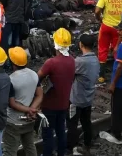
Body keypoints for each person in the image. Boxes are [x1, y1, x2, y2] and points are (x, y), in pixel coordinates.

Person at [37, 28, 76, 156]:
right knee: (61, 132)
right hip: (64, 103)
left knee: (48, 135)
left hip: (49, 105)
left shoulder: (51, 63)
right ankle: (61, 153)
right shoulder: (72, 60)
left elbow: (38, 77)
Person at [3, 47, 42, 156]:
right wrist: (32, 110)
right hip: (29, 120)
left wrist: (29, 110)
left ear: (12, 63)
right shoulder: (33, 74)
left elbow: (12, 103)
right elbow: (39, 95)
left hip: (13, 121)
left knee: (10, 151)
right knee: (30, 147)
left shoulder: (10, 79)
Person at [67, 34, 100, 156]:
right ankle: (87, 144)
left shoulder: (80, 61)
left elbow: (69, 73)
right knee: (86, 122)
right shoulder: (95, 60)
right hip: (88, 98)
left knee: (72, 124)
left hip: (76, 99)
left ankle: (70, 148)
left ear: (81, 44)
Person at [95, 0, 122, 70]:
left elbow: (97, 11)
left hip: (106, 26)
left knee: (103, 49)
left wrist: (100, 19)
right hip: (119, 28)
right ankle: (116, 71)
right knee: (117, 50)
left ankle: (101, 75)